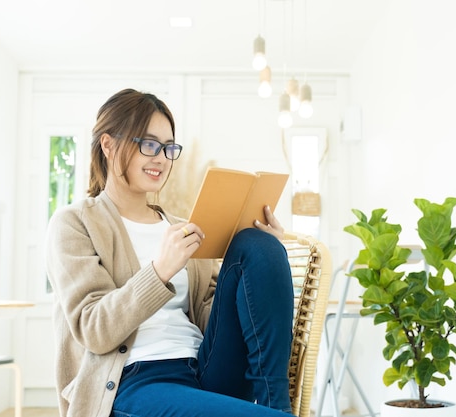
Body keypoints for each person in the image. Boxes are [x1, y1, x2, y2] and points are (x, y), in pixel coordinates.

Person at [45, 88, 295, 417]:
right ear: (108, 144)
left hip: (207, 370)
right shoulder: (75, 223)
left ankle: (276, 402)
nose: (161, 158)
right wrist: (159, 270)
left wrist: (265, 261)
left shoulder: (182, 227)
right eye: (148, 144)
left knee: (256, 243)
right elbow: (94, 329)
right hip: (136, 381)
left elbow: (211, 317)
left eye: (168, 148)